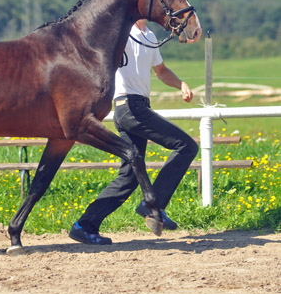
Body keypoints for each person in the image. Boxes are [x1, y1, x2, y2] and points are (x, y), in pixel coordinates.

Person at [69, 19, 199, 245]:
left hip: (137, 108)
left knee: (129, 177)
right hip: (129, 107)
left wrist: (180, 84)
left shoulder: (149, 35)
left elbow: (161, 71)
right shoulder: (121, 31)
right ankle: (154, 205)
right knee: (187, 146)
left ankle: (84, 225)